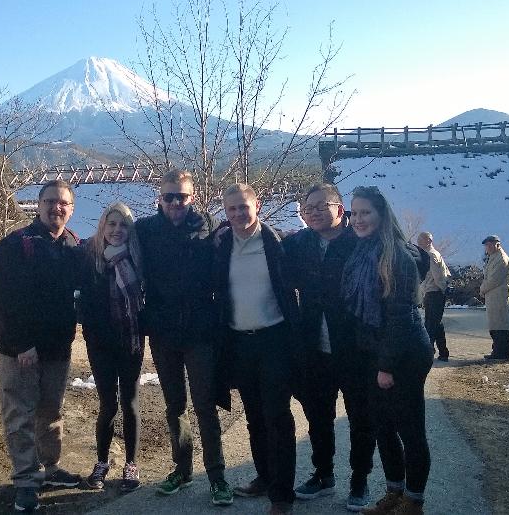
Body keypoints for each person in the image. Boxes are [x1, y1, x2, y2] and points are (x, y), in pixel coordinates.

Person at [134, 169, 233, 506]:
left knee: (205, 405)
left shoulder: (207, 226)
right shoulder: (145, 230)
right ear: (159, 198)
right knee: (175, 405)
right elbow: (111, 245)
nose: (176, 202)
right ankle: (183, 468)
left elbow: (241, 241)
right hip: (163, 332)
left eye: (182, 196)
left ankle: (217, 476)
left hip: (200, 331)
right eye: (169, 196)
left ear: (194, 197)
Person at [0, 179, 83, 512]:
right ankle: (26, 479)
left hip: (57, 347)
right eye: (50, 201)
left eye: (64, 203)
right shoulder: (17, 244)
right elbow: (4, 300)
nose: (57, 208)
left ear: (71, 210)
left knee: (51, 412)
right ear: (38, 205)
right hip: (20, 349)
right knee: (20, 414)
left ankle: (51, 468)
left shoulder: (72, 244)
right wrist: (22, 344)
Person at [341, 186, 433, 515]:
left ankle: (414, 501)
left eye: (366, 212)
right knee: (382, 427)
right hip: (375, 352)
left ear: (381, 215)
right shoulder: (361, 249)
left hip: (403, 354)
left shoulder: (397, 256)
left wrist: (387, 366)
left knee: (410, 429)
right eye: (355, 212)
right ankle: (394, 493)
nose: (359, 219)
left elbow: (400, 316)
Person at [284, 183, 375, 512]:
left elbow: (409, 259)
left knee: (360, 417)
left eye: (323, 206)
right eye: (309, 208)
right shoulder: (299, 244)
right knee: (318, 416)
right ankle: (324, 474)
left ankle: (360, 480)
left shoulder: (361, 243)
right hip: (314, 347)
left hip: (355, 348)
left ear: (341, 209)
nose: (316, 213)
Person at [213, 184, 300, 515]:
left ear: (257, 206)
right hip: (239, 342)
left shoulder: (277, 243)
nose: (237, 214)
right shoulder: (221, 246)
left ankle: (282, 495)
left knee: (277, 416)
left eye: (243, 207)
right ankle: (264, 476)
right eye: (231, 209)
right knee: (253, 417)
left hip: (274, 340)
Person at [78, 202, 146, 492]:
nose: (117, 230)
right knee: (108, 404)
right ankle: (102, 462)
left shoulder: (137, 256)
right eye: (112, 224)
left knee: (130, 403)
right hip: (101, 343)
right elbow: (80, 300)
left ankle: (131, 463)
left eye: (123, 225)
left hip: (131, 340)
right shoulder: (89, 256)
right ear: (103, 226)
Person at [416, 232, 451, 362]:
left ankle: (428, 352)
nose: (418, 242)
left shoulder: (431, 255)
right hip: (432, 292)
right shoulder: (434, 254)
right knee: (436, 324)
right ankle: (443, 352)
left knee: (430, 324)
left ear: (428, 241)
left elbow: (439, 276)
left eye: (420, 240)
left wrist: (443, 288)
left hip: (434, 292)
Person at [480, 234, 509, 361]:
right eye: (486, 246)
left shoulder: (501, 259)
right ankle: (498, 351)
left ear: (497, 244)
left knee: (501, 326)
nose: (487, 248)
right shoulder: (493, 257)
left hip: (499, 296)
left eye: (489, 245)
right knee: (495, 326)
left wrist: (482, 289)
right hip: (493, 296)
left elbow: (494, 280)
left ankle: (503, 353)